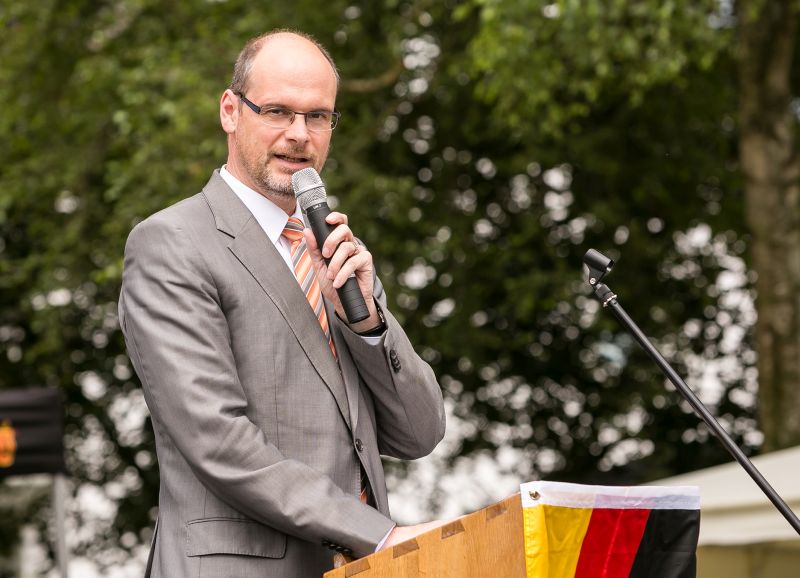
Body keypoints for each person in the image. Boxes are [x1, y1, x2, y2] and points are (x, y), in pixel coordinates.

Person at [119, 29, 447, 577]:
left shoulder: (336, 252)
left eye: (318, 116)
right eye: (277, 111)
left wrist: (367, 325)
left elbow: (420, 432)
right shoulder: (172, 243)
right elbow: (218, 440)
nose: (299, 134)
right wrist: (379, 534)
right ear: (230, 111)